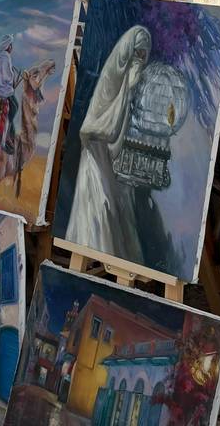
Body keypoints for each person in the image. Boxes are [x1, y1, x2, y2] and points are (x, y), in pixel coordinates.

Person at [64, 25, 150, 262]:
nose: (140, 59)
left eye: (144, 54)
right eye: (138, 53)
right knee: (99, 201)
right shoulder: (114, 73)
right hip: (95, 143)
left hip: (109, 148)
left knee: (116, 205)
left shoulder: (132, 71)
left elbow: (124, 114)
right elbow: (103, 114)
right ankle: (94, 250)